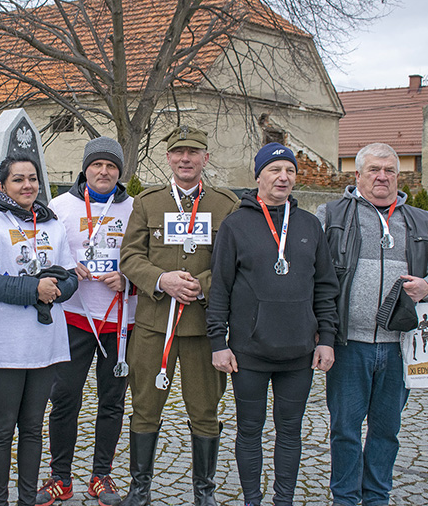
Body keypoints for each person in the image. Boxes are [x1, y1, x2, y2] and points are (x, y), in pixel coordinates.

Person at [316, 142, 428, 506]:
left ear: (398, 175)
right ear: (358, 175)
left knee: (386, 430)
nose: (382, 177)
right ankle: (345, 498)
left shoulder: (419, 220)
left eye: (390, 170)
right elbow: (312, 271)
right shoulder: (331, 215)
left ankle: (377, 496)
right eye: (374, 170)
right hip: (348, 344)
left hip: (400, 347)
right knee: (345, 430)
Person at [207, 143, 339, 506]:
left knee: (290, 432)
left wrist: (326, 338)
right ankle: (252, 499)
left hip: (299, 353)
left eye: (290, 171)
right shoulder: (236, 225)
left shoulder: (310, 225)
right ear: (258, 176)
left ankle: (284, 500)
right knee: (249, 430)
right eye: (275, 170)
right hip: (249, 352)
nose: (283, 177)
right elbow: (220, 288)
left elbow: (325, 286)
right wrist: (218, 342)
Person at [119, 125, 240, 506]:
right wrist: (162, 279)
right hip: (154, 325)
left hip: (203, 327)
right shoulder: (148, 202)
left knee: (205, 410)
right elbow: (130, 257)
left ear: (205, 158)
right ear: (169, 157)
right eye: (178, 152)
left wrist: (201, 285)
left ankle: (204, 493)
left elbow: (234, 261)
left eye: (193, 152)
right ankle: (140, 490)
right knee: (144, 408)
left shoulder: (226, 205)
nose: (185, 159)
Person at [0, 155, 79, 506]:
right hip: (3, 344)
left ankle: (27, 500)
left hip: (45, 343)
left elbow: (70, 276)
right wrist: (35, 289)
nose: (27, 185)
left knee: (32, 429)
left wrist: (57, 288)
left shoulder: (51, 223)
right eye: (18, 179)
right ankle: (0, 501)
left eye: (32, 178)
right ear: (2, 185)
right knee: (2, 430)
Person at [38, 137, 137, 506]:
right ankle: (60, 478)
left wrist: (129, 280)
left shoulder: (134, 207)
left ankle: (101, 475)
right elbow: (43, 254)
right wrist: (64, 268)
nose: (104, 171)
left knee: (112, 402)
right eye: (97, 164)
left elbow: (146, 257)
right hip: (75, 317)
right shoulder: (60, 206)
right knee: (64, 398)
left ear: (119, 172)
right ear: (86, 169)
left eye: (111, 166)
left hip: (121, 320)